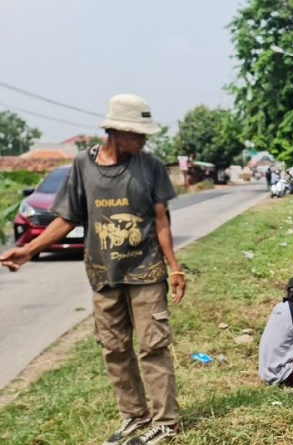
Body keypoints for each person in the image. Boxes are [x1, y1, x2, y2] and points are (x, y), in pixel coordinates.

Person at [1, 93, 186, 445]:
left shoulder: (150, 165)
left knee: (153, 347)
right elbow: (67, 218)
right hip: (104, 275)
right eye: (138, 133)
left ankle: (166, 423)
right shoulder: (83, 168)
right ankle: (134, 416)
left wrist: (174, 269)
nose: (144, 139)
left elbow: (162, 221)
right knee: (114, 349)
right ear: (115, 131)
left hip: (146, 272)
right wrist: (28, 250)